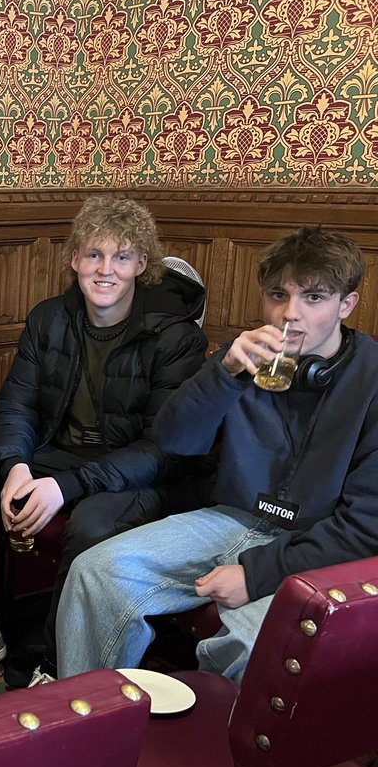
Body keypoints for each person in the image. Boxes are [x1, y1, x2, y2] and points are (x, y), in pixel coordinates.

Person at [58, 226, 378, 681]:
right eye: (277, 295)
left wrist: (257, 574)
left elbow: (365, 528)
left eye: (314, 298)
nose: (291, 314)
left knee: (253, 643)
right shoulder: (242, 356)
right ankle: (91, 727)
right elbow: (174, 439)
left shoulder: (371, 380)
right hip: (234, 516)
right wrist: (223, 374)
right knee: (96, 573)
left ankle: (208, 747)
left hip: (318, 542)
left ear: (346, 305)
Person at [0, 196, 208, 690]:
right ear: (74, 258)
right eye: (93, 255)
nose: (105, 270)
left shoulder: (175, 336)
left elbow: (163, 449)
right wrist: (15, 464)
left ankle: (58, 664)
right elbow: (17, 406)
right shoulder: (49, 318)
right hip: (60, 455)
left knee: (91, 522)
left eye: (121, 257)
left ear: (142, 264)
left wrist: (66, 486)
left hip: (139, 471)